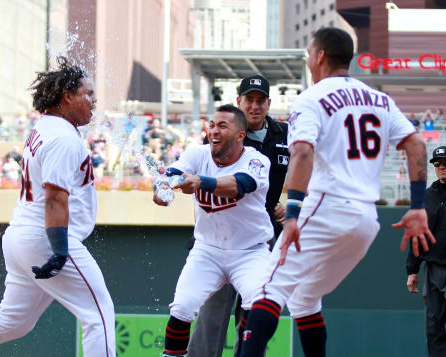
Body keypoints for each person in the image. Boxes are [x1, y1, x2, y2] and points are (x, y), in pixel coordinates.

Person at [239, 27, 435, 357]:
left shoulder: (311, 97)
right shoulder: (380, 98)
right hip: (365, 222)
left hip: (326, 206)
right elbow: (416, 145)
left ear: (320, 56)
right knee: (304, 299)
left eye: (309, 55)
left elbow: (301, 153)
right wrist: (417, 206)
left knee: (267, 290)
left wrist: (292, 216)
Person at [0, 57, 116, 357]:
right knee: (99, 315)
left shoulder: (47, 127)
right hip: (46, 237)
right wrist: (60, 248)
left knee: (14, 322)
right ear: (67, 96)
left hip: (22, 235)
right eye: (87, 93)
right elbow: (55, 197)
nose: (94, 99)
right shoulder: (62, 138)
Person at [154, 104, 273, 357]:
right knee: (182, 307)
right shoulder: (198, 154)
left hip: (250, 252)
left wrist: (200, 181)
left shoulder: (256, 159)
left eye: (222, 126)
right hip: (207, 250)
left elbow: (239, 185)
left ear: (241, 135)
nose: (214, 131)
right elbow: (173, 173)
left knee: (260, 306)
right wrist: (164, 187)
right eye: (211, 125)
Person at [188, 75, 290, 357]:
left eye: (260, 100)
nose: (255, 106)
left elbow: (308, 171)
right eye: (249, 100)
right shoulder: (218, 136)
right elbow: (199, 182)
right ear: (239, 102)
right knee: (211, 320)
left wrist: (287, 204)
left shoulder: (285, 135)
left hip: (260, 242)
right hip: (219, 238)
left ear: (269, 103)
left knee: (254, 318)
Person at [406, 145, 446, 357]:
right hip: (432, 269)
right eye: (437, 164)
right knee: (433, 327)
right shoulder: (427, 196)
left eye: (445, 163)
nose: (442, 167)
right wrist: (412, 269)